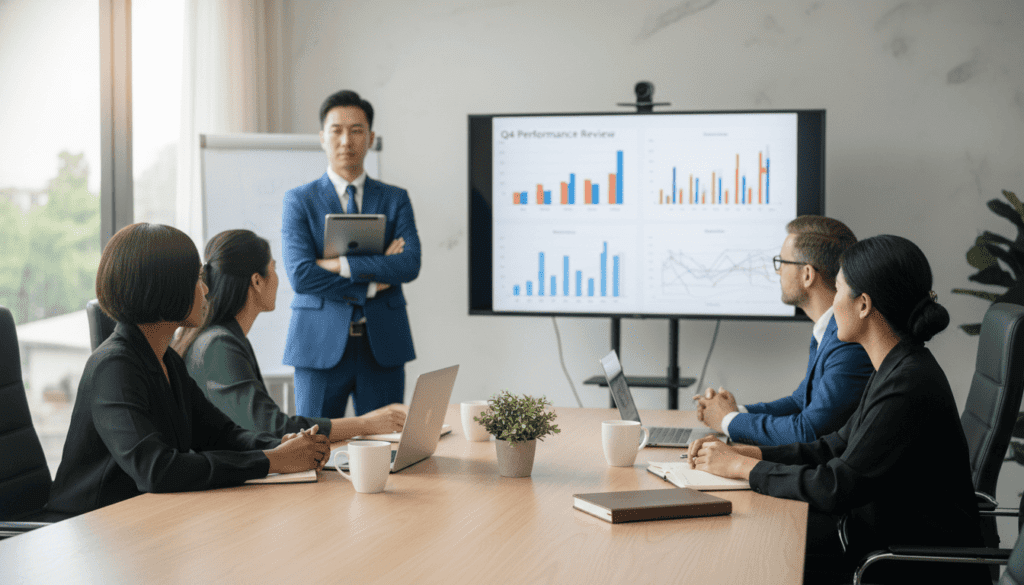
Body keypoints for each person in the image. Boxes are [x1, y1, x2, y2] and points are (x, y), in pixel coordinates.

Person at [686, 235, 987, 584]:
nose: (832, 305)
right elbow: (832, 446)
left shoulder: (907, 385)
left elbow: (836, 486)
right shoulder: (895, 367)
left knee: (749, 550)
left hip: (901, 563)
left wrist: (741, 467)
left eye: (840, 290)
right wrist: (747, 452)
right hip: (875, 540)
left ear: (863, 305)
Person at [46, 223, 329, 519]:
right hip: (88, 529)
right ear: (164, 286)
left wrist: (282, 446)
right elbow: (157, 469)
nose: (206, 289)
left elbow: (220, 434)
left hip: (142, 520)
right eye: (196, 278)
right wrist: (271, 461)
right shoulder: (114, 367)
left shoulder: (167, 360)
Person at [173, 229, 407, 441]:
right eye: (273, 268)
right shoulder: (218, 345)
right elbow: (274, 428)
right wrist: (366, 424)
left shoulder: (222, 337)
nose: (277, 278)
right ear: (257, 281)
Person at [282, 89, 420, 418]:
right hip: (317, 345)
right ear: (322, 138)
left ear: (370, 138)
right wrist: (371, 283)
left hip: (382, 345)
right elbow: (301, 275)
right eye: (337, 130)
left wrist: (338, 264)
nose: (347, 140)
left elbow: (408, 264)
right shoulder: (299, 200)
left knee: (386, 450)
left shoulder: (395, 199)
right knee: (311, 447)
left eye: (357, 130)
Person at [694, 216, 873, 446]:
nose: (778, 272)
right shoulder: (827, 330)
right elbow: (800, 402)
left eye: (783, 263)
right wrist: (733, 411)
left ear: (807, 274)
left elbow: (808, 431)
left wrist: (728, 420)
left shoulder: (847, 340)